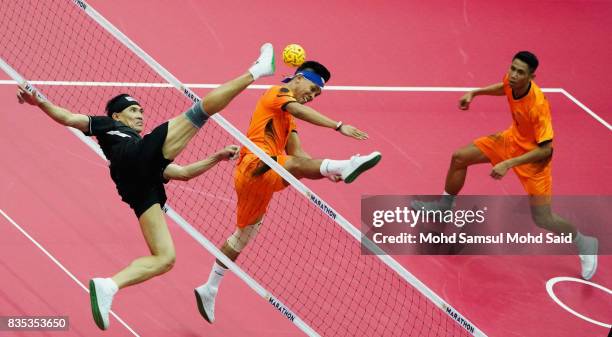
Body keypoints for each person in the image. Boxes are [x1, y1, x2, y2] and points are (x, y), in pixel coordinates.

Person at [16, 43, 276, 330]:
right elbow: (67, 117)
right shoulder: (107, 126)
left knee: (165, 258)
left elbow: (183, 173)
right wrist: (39, 101)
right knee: (199, 112)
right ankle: (256, 71)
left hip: (139, 187)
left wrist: (216, 157)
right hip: (131, 160)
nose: (140, 114)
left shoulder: (149, 148)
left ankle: (109, 285)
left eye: (141, 110)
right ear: (117, 116)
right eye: (132, 110)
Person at [194, 60, 382, 323]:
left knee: (243, 236)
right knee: (294, 166)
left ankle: (210, 287)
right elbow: (297, 128)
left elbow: (299, 155)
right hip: (255, 165)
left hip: (266, 177)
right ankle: (347, 163)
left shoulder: (288, 118)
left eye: (317, 94)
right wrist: (338, 126)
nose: (312, 96)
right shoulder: (276, 93)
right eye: (313, 88)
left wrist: (328, 173)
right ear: (298, 78)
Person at [412, 51, 598, 279]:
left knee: (543, 219)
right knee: (459, 157)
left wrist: (508, 164)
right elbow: (503, 88)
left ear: (532, 76)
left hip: (534, 162)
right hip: (510, 140)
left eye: (520, 72)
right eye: (512, 68)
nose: (513, 75)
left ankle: (585, 243)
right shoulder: (511, 81)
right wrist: (475, 93)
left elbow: (546, 149)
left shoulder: (537, 106)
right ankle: (444, 207)